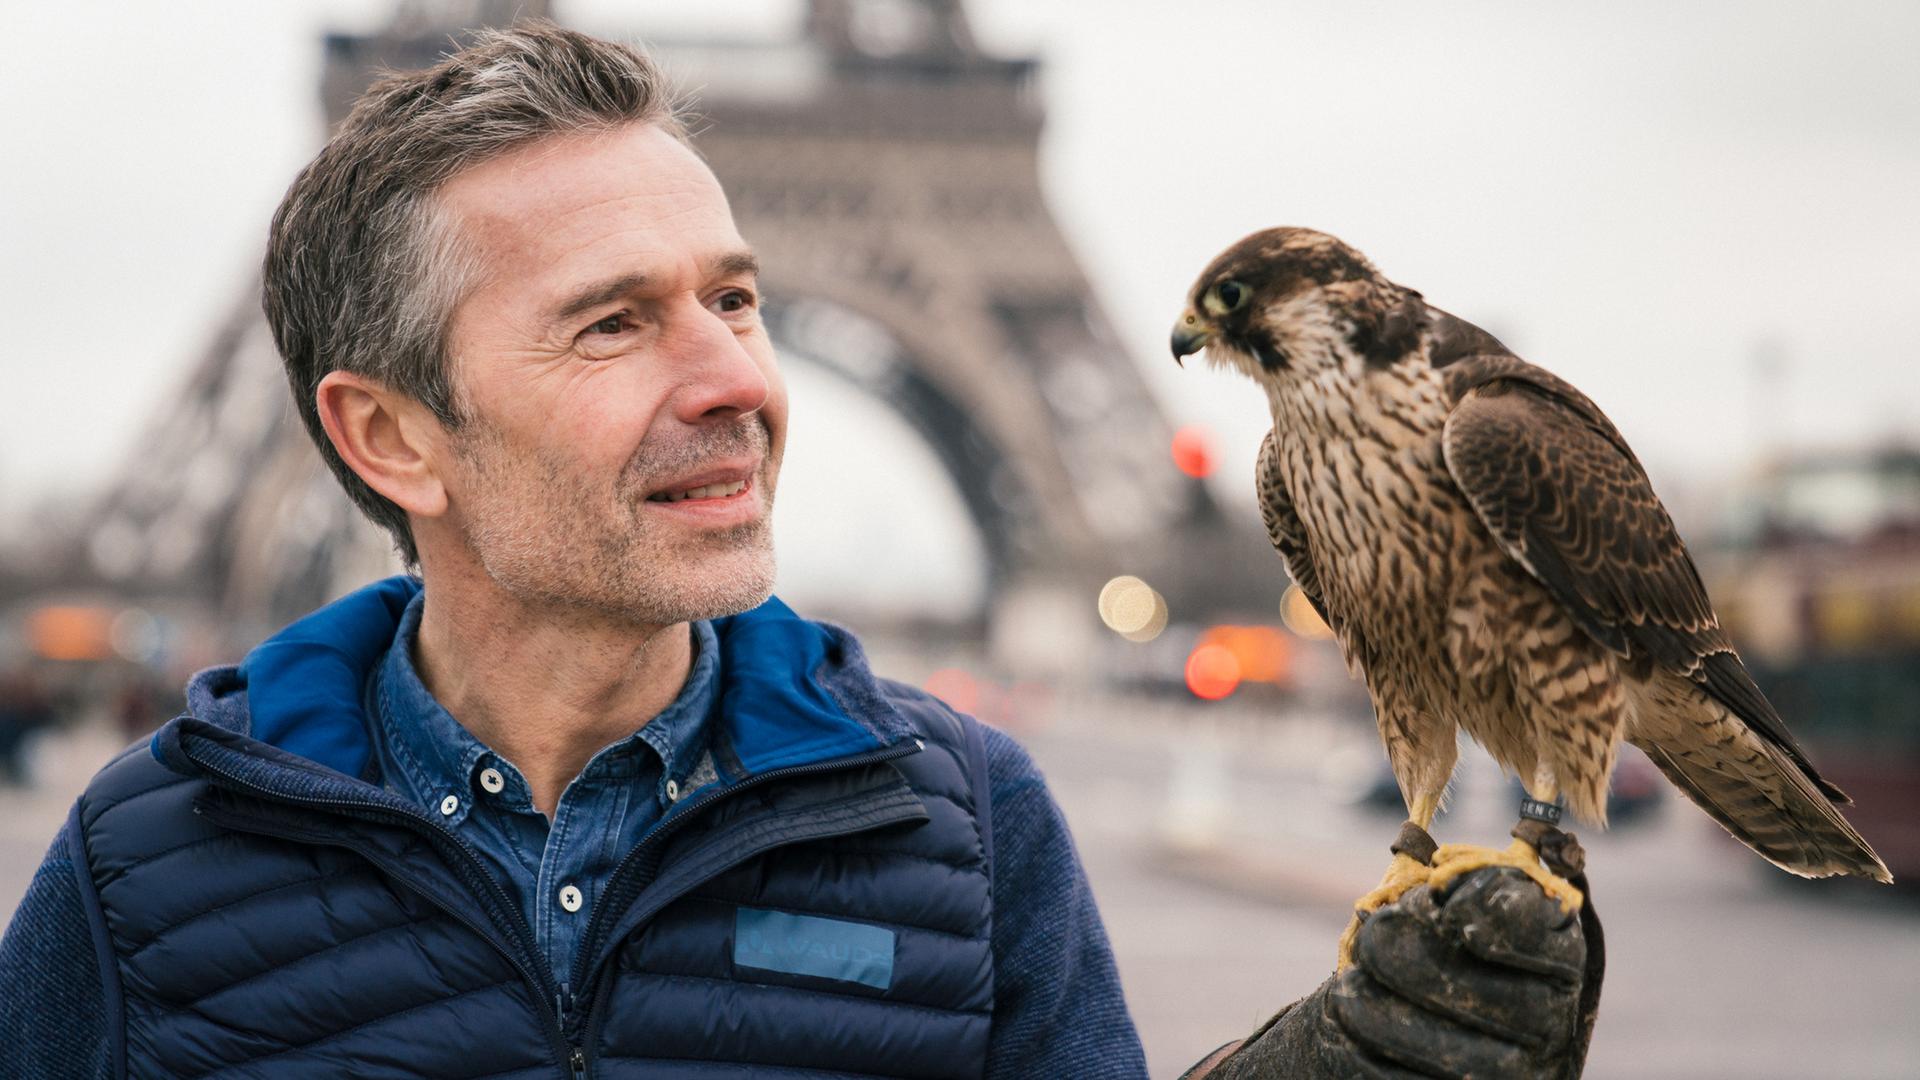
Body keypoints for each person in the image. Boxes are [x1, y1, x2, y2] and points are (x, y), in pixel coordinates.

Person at [0, 23, 1593, 1078]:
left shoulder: (973, 829)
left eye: (736, 300)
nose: (735, 383)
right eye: (614, 323)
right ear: (391, 436)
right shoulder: (139, 870)